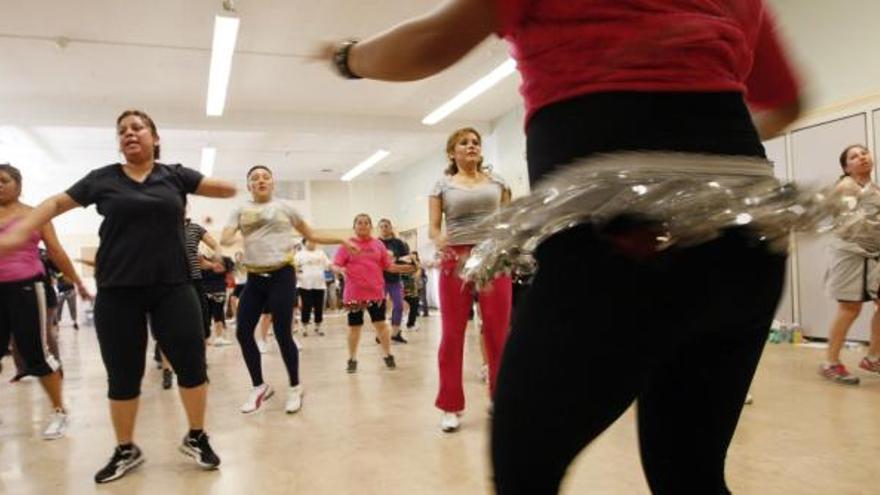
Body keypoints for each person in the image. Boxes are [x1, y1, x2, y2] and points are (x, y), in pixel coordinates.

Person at [322, 0, 802, 492]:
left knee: (525, 471)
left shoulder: (495, 179)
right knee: (688, 471)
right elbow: (788, 102)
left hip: (620, 242)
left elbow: (432, 42)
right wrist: (700, 162)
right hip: (746, 242)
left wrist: (347, 58)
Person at [0, 110, 236, 483]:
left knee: (192, 366)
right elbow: (55, 204)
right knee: (123, 374)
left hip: (173, 286)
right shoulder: (103, 179)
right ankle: (126, 448)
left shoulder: (173, 174)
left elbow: (220, 188)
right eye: (122, 130)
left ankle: (197, 436)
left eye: (137, 128)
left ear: (154, 138)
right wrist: (20, 231)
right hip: (118, 291)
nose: (129, 133)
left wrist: (226, 186)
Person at [221, 165, 352, 414]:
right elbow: (225, 238)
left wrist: (342, 239)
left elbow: (311, 234)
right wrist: (236, 239)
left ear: (272, 183)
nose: (260, 180)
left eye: (265, 177)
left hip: (282, 274)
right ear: (249, 185)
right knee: (242, 332)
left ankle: (295, 386)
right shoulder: (240, 209)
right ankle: (259, 386)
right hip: (255, 278)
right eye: (255, 178)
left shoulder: (286, 208)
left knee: (282, 334)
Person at [429, 128, 512, 432]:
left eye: (475, 142)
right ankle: (451, 405)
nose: (471, 146)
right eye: (464, 143)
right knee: (452, 333)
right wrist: (440, 241)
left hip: (493, 256)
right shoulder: (442, 186)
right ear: (452, 153)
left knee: (497, 330)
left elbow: (507, 220)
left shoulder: (498, 182)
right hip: (456, 259)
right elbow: (434, 228)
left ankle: (500, 398)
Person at [0, 163, 90, 439]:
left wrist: (77, 281)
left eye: (3, 181)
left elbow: (56, 252)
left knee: (36, 353)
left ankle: (59, 411)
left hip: (27, 289)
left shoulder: (33, 215)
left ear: (18, 184)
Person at [820, 144, 880, 385]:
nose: (862, 157)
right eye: (854, 156)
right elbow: (847, 221)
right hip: (849, 253)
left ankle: (872, 357)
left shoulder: (875, 190)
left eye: (864, 153)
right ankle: (830, 362)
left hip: (875, 253)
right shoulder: (845, 186)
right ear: (846, 167)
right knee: (850, 308)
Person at [332, 214, 414, 373]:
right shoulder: (346, 245)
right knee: (354, 327)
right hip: (354, 293)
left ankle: (388, 354)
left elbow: (388, 266)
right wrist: (340, 270)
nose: (363, 226)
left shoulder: (378, 245)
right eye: (359, 223)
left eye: (366, 223)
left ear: (371, 226)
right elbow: (335, 265)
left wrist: (404, 268)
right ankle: (352, 358)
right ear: (354, 226)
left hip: (376, 292)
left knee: (381, 325)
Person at [377, 219, 410, 343]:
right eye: (382, 226)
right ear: (379, 229)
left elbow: (406, 259)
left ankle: (395, 333)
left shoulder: (399, 243)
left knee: (399, 305)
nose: (384, 228)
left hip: (395, 279)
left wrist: (396, 261)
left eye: (386, 226)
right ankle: (380, 333)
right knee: (379, 308)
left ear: (391, 227)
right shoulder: (375, 243)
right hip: (379, 280)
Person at [295, 240, 331, 336]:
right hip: (304, 285)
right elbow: (294, 268)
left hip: (319, 284)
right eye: (309, 241)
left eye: (313, 241)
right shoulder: (299, 254)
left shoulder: (321, 253)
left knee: (319, 307)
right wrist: (298, 275)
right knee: (306, 306)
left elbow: (328, 265)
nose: (311, 243)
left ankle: (318, 327)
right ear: (304, 243)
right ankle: (304, 328)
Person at [203, 255, 234, 346]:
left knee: (217, 314)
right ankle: (211, 338)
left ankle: (217, 337)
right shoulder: (204, 260)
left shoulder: (224, 260)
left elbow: (229, 268)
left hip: (216, 291)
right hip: (210, 291)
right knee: (211, 315)